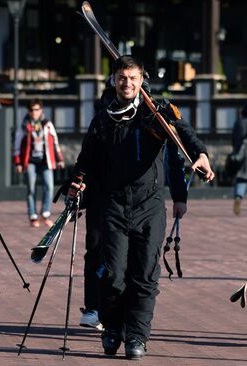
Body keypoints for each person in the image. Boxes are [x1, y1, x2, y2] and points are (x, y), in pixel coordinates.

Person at [68, 55, 214, 360]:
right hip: (113, 206)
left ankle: (136, 336)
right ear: (114, 80)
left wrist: (200, 154)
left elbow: (183, 134)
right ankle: (112, 328)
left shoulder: (157, 111)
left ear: (142, 79)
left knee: (145, 276)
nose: (127, 83)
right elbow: (87, 159)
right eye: (122, 77)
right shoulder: (103, 117)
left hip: (149, 206)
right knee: (112, 274)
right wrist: (78, 180)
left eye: (133, 78)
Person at [79, 137, 189, 331]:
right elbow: (88, 157)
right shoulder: (105, 118)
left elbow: (174, 156)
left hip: (143, 204)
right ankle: (94, 308)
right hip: (104, 199)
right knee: (98, 253)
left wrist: (179, 196)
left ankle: (128, 322)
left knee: (135, 262)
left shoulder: (158, 118)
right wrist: (79, 192)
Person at [13, 99, 65, 228]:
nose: (34, 112)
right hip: (30, 160)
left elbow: (55, 142)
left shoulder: (47, 124)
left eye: (36, 109)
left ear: (41, 110)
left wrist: (59, 159)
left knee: (49, 186)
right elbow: (17, 144)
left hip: (45, 160)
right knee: (31, 187)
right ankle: (33, 216)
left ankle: (45, 214)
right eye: (31, 110)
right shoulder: (24, 125)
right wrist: (18, 162)